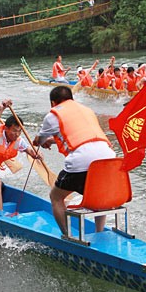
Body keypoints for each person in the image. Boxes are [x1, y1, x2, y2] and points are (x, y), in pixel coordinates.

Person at [33, 86, 115, 236]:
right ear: (72, 98)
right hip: (109, 158)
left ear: (53, 103)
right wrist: (51, 141)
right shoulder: (86, 110)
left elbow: (39, 140)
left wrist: (38, 141)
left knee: (56, 197)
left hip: (82, 160)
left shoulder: (53, 115)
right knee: (99, 197)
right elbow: (78, 137)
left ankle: (67, 235)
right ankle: (99, 232)